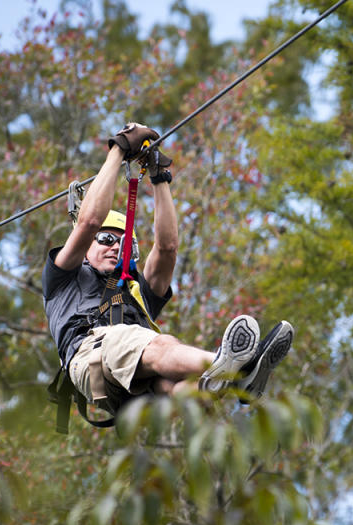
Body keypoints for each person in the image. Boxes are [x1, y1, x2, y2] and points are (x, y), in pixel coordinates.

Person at [42, 123, 294, 419]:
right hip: (90, 354)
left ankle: (228, 382)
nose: (114, 248)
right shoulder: (65, 277)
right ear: (86, 248)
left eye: (123, 244)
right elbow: (89, 222)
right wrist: (118, 149)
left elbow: (167, 249)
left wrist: (159, 178)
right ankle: (236, 367)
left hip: (127, 390)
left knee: (177, 386)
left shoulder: (133, 291)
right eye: (107, 240)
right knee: (162, 346)